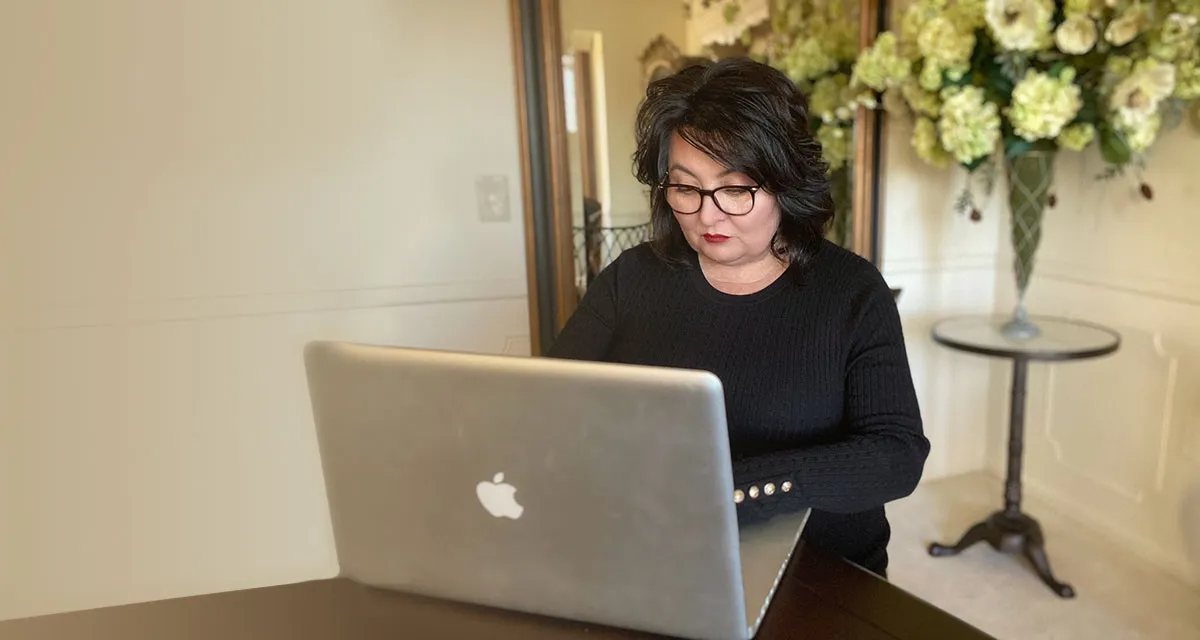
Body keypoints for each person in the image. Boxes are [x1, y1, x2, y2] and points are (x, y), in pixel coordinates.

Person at [545, 58, 928, 578]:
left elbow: (896, 454)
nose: (707, 214)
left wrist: (736, 490)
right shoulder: (632, 278)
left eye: (736, 188)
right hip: (661, 557)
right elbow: (549, 404)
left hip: (819, 573)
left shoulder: (851, 292)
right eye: (685, 188)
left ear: (785, 183)